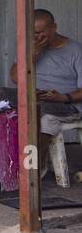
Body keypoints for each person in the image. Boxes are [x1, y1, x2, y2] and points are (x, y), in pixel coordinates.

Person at [9, 9, 82, 147]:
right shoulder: (29, 47)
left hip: (66, 104)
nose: (37, 37)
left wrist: (62, 97)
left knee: (37, 112)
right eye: (34, 33)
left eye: (41, 32)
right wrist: (32, 55)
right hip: (34, 98)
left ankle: (34, 165)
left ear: (54, 28)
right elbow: (15, 78)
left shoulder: (76, 51)